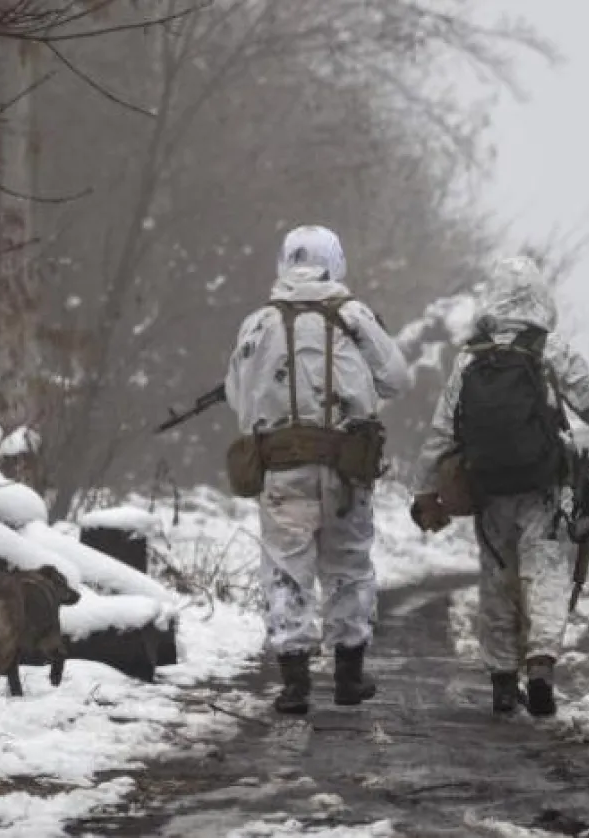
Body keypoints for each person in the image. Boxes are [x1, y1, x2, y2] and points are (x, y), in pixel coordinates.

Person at [409, 255, 589, 717]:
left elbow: (441, 432)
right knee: (543, 571)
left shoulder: (470, 357)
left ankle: (503, 678)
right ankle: (541, 662)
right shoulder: (549, 349)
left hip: (487, 487)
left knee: (497, 578)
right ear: (540, 296)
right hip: (543, 485)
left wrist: (425, 490)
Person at [224, 224, 411, 715]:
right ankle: (349, 677)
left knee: (287, 570)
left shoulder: (258, 324)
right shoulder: (354, 316)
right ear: (336, 261)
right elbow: (396, 380)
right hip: (347, 467)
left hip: (282, 468)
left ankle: (294, 684)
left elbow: (236, 398)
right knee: (348, 567)